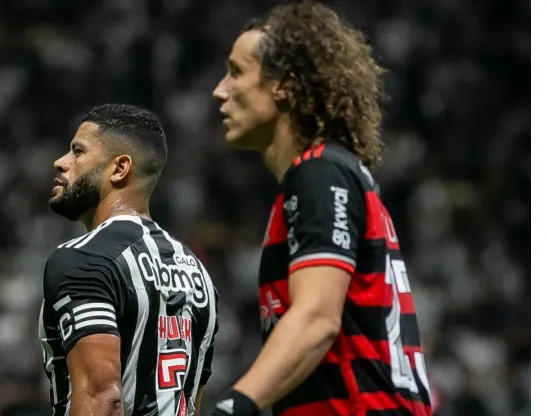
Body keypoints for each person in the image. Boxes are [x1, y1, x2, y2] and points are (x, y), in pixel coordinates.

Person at [209, 2, 431, 416]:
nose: (219, 90)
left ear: (284, 86)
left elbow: (317, 317)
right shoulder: (331, 175)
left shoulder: (319, 173)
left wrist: (234, 406)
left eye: (236, 72)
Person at [38, 103, 219, 416]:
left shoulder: (84, 258)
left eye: (77, 151)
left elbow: (102, 398)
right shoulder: (198, 273)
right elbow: (192, 404)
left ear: (119, 168)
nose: (61, 162)